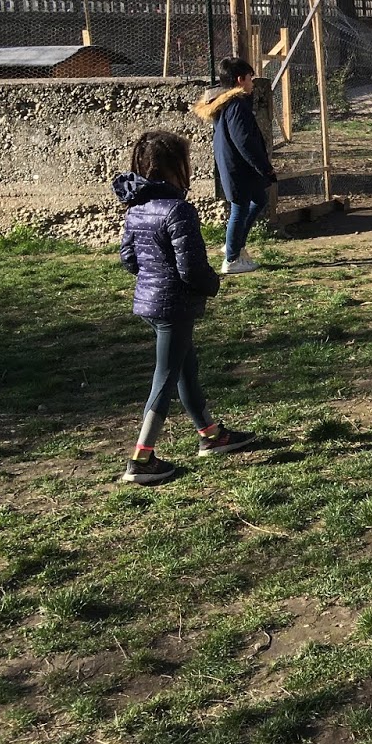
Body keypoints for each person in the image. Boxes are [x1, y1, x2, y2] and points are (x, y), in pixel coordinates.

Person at [114, 131, 255, 484]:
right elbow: (190, 268)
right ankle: (141, 459)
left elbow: (128, 259)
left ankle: (211, 434)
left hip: (149, 304)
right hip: (174, 306)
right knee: (165, 376)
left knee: (184, 368)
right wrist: (212, 284)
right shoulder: (178, 210)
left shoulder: (136, 208)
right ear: (176, 167)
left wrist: (153, 277)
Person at [195, 57, 277, 275]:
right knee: (239, 208)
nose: (252, 83)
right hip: (238, 167)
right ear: (240, 79)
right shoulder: (236, 105)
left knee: (259, 200)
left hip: (233, 164)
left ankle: (235, 243)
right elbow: (244, 141)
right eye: (250, 78)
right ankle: (231, 259)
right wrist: (264, 167)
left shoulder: (227, 102)